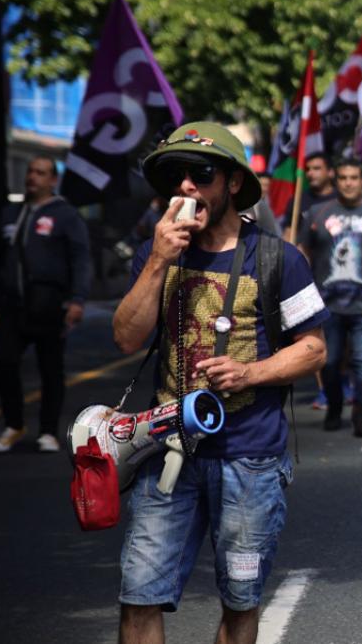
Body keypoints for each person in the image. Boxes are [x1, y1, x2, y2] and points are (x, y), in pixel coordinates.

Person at [112, 122, 327, 644]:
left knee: (240, 602)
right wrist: (161, 258)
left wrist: (250, 372)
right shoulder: (155, 256)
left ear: (231, 183)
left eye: (200, 175)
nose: (185, 187)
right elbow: (126, 337)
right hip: (167, 454)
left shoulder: (279, 259)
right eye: (175, 177)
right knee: (139, 596)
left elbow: (314, 349)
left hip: (249, 459)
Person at [0, 156, 91, 453]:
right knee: (5, 362)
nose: (33, 177)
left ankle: (48, 431)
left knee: (51, 369)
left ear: (52, 180)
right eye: (31, 171)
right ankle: (13, 425)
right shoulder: (10, 213)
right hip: (13, 306)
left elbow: (80, 258)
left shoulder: (65, 216)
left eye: (41, 173)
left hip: (49, 305)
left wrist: (77, 300)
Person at [299, 157, 362, 438]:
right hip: (327, 306)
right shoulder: (317, 213)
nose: (348, 183)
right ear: (336, 180)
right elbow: (301, 253)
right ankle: (334, 405)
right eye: (343, 178)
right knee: (329, 363)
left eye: (354, 178)